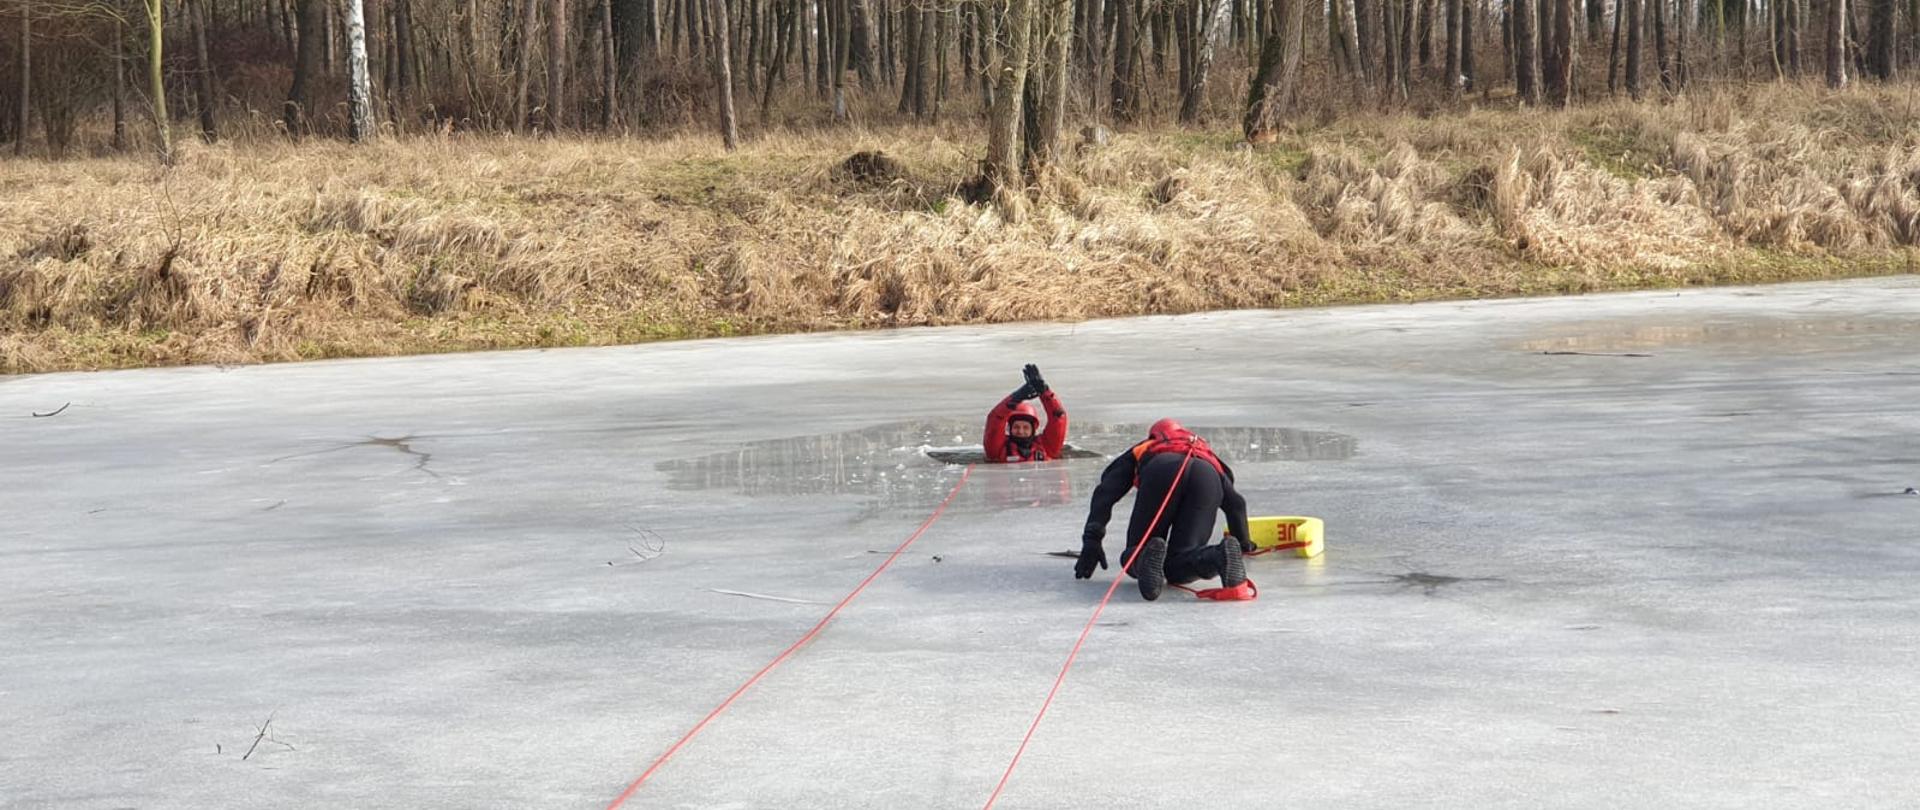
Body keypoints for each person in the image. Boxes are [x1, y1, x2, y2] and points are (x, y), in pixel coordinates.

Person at [1074, 418, 1255, 601]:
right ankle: (1218, 556)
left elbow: (1105, 492)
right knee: (1180, 565)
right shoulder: (1204, 451)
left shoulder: (1146, 447)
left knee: (1133, 553)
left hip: (1161, 471)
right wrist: (1243, 543)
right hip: (1206, 477)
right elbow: (1236, 504)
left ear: (1154, 434)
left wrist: (1092, 539)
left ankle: (1145, 556)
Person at [983, 364, 1068, 463]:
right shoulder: (998, 449)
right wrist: (1014, 398)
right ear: (1009, 428)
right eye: (1016, 427)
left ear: (1033, 429)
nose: (1020, 431)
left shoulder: (1046, 447)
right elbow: (995, 420)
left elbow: (1058, 417)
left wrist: (1045, 392)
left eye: (1026, 427)